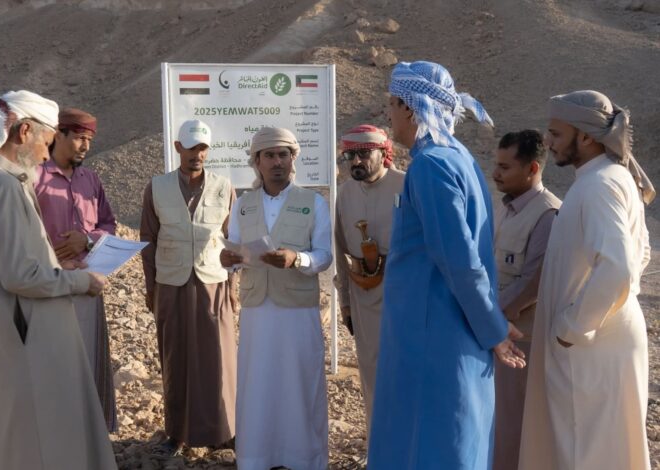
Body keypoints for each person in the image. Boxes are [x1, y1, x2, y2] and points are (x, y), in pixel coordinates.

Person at [0, 90, 117, 469]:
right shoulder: (0, 186)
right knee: (44, 442)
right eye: (47, 141)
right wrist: (82, 283)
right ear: (24, 132)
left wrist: (59, 272)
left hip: (21, 332)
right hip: (28, 338)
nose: (47, 154)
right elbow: (20, 276)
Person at [368, 61, 525, 469]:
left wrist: (493, 330)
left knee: (429, 446)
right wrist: (490, 322)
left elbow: (460, 261)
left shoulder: (432, 165)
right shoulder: (458, 158)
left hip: (433, 338)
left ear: (409, 108)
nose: (388, 113)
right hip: (445, 330)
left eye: (392, 104)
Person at [519, 90, 653, 470]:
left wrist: (574, 327)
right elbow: (641, 252)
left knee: (586, 454)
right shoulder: (605, 178)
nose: (548, 142)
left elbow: (619, 267)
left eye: (556, 134)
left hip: (592, 345)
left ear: (586, 136)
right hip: (603, 336)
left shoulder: (600, 186)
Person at [221, 126, 332, 470]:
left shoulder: (313, 202)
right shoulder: (243, 205)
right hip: (257, 311)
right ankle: (257, 458)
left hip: (298, 311)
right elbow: (235, 250)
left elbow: (324, 255)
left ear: (293, 159)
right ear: (257, 162)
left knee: (299, 382)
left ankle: (304, 459)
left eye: (284, 154)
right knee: (258, 384)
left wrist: (297, 259)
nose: (277, 162)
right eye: (269, 155)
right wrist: (229, 260)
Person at [140, 119, 237, 454]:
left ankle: (223, 430)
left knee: (218, 357)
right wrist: (151, 287)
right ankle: (176, 432)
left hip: (213, 284)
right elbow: (148, 240)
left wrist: (232, 287)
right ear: (178, 147)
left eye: (203, 148)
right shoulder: (156, 187)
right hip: (171, 284)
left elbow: (232, 240)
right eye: (192, 147)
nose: (198, 154)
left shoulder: (224, 187)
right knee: (175, 356)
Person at [35, 107, 118, 431]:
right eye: (80, 138)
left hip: (87, 286)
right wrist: (53, 258)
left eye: (90, 141)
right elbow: (22, 232)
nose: (85, 146)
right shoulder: (35, 177)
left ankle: (89, 433)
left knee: (88, 360)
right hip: (48, 286)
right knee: (53, 363)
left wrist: (87, 239)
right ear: (59, 135)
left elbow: (108, 224)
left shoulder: (90, 179)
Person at [490, 130, 560, 470]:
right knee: (495, 426)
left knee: (514, 430)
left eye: (505, 167)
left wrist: (486, 317)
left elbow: (532, 283)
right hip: (495, 332)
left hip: (522, 341)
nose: (495, 173)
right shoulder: (505, 209)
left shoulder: (548, 215)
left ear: (532, 168)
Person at [333, 124, 404, 444]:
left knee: (403, 369)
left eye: (364, 154)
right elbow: (340, 251)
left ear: (384, 154)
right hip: (363, 296)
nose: (356, 161)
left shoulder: (406, 185)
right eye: (350, 155)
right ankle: (380, 445)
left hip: (403, 293)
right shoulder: (345, 193)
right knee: (371, 372)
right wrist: (345, 303)